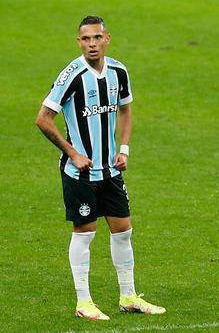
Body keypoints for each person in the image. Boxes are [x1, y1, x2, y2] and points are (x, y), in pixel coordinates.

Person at [35, 16, 165, 321]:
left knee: (123, 232)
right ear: (79, 42)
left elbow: (126, 109)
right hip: (79, 173)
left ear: (107, 38)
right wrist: (73, 153)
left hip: (110, 170)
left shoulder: (119, 71)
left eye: (97, 37)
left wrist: (124, 149)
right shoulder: (73, 76)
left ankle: (129, 297)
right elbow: (43, 118)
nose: (92, 44)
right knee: (85, 233)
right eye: (85, 39)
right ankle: (84, 302)